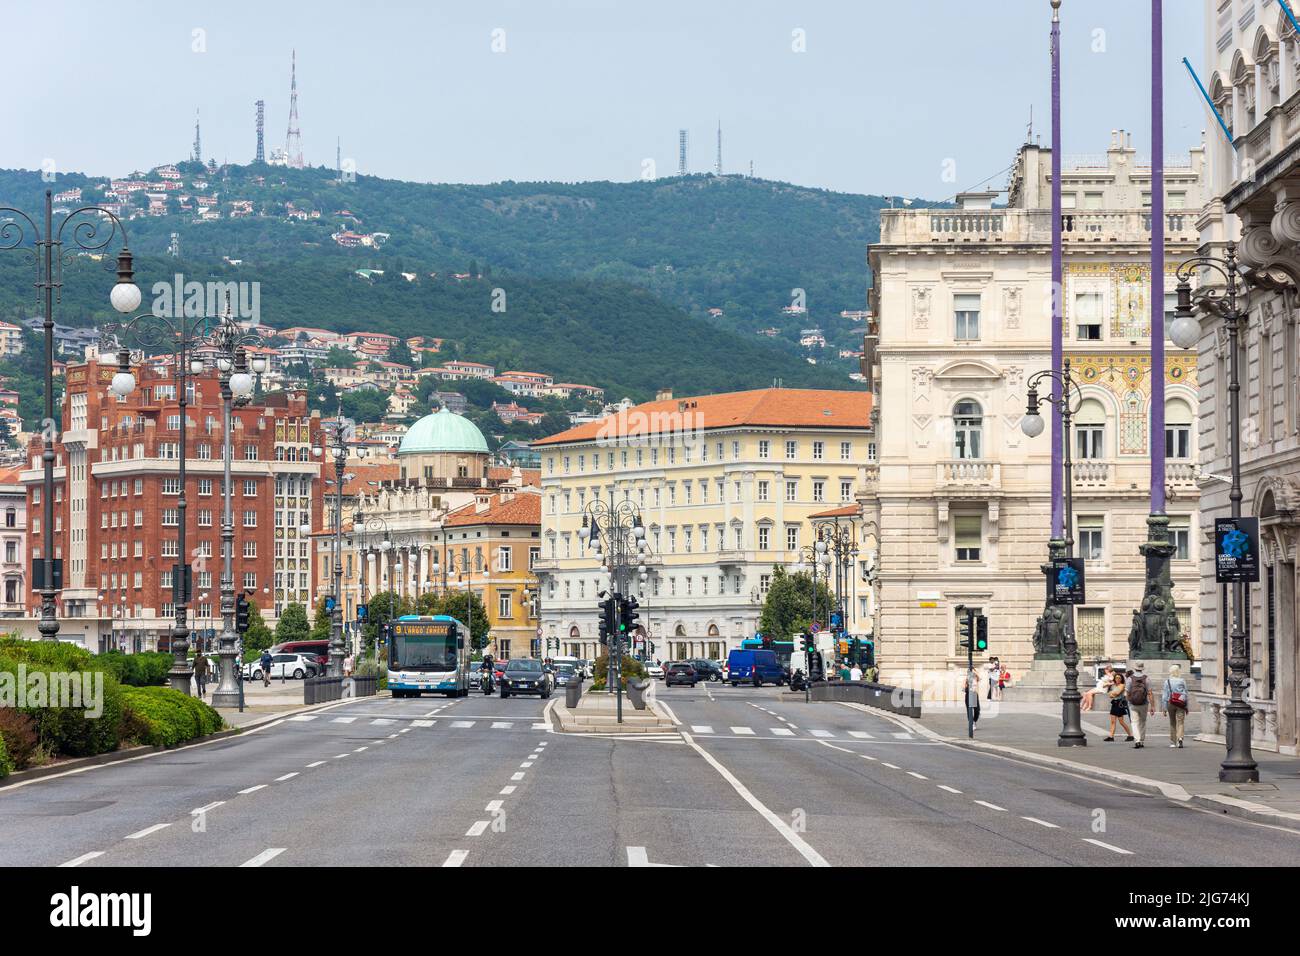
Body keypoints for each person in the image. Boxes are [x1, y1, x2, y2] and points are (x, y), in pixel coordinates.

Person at [1125, 662, 1152, 749]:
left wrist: (1128, 701)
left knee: (1134, 722)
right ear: (1142, 668)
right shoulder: (1146, 679)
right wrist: (1153, 705)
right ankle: (1142, 741)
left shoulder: (1130, 679)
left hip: (1133, 704)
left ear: (1135, 668)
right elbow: (1150, 693)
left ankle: (1137, 740)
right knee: (1142, 722)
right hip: (1144, 703)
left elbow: (1127, 692)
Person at [1163, 663, 1189, 748]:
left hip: (1171, 702)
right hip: (1181, 703)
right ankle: (1180, 738)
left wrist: (1164, 707)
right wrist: (1187, 706)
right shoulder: (1182, 681)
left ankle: (1173, 742)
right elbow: (1186, 693)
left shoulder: (1167, 681)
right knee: (1180, 722)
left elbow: (1165, 695)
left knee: (1172, 722)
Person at [1103, 670, 1133, 741]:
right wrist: (1110, 685)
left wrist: (1111, 693)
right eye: (1116, 678)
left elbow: (1116, 693)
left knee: (1121, 721)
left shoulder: (1122, 685)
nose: (1118, 679)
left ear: (1122, 679)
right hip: (1114, 703)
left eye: (1119, 678)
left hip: (1119, 704)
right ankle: (1111, 736)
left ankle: (1130, 735)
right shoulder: (1113, 685)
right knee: (1113, 721)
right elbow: (1104, 686)